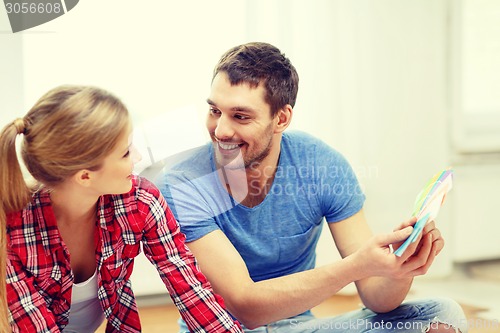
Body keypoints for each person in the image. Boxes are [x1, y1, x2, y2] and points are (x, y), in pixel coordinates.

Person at [153, 42, 468, 333]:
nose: (220, 130)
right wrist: (357, 265)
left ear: (281, 118)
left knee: (442, 314)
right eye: (215, 111)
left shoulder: (322, 165)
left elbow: (377, 297)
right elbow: (245, 306)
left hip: (297, 328)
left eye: (240, 116)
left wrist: (401, 266)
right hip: (221, 330)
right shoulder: (182, 182)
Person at [0, 85, 243, 333]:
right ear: (85, 177)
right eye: (126, 152)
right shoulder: (11, 226)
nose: (137, 158)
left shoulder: (140, 200)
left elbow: (188, 285)